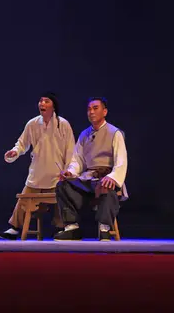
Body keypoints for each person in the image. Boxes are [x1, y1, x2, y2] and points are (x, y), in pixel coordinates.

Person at [0, 92, 75, 240]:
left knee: (62, 196)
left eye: (46, 101)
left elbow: (70, 149)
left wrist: (69, 170)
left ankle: (61, 228)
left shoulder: (62, 124)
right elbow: (22, 143)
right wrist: (15, 152)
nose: (42, 104)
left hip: (57, 174)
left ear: (54, 105)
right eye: (40, 101)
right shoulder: (32, 124)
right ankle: (14, 228)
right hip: (38, 172)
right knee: (25, 198)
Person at [54, 97, 128, 241]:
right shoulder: (84, 134)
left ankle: (104, 227)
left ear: (104, 111)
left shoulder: (114, 133)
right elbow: (77, 160)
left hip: (105, 176)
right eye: (89, 109)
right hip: (88, 179)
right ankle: (72, 228)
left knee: (107, 185)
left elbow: (121, 161)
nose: (91, 112)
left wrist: (112, 177)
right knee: (63, 185)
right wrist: (70, 172)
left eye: (95, 108)